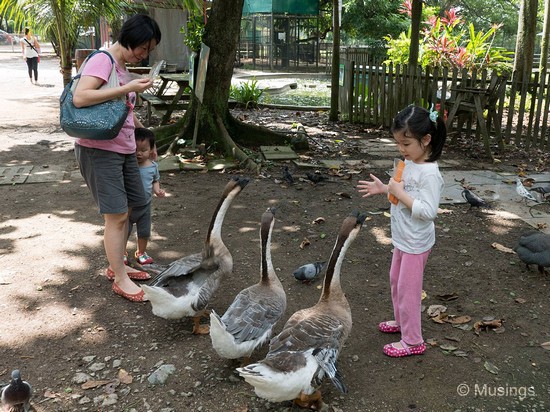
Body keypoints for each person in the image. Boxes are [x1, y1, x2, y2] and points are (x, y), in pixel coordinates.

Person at [72, 14, 162, 302]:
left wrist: (147, 140)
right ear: (131, 39)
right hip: (99, 150)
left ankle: (118, 263)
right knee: (117, 215)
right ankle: (119, 276)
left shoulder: (122, 66)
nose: (144, 54)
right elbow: (80, 97)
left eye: (149, 50)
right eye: (143, 48)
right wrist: (129, 88)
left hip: (124, 149)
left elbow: (125, 112)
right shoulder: (103, 60)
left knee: (136, 204)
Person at [357, 105, 446, 358]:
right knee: (396, 282)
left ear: (426, 140)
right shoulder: (409, 162)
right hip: (403, 238)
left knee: (409, 291)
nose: (401, 150)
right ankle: (402, 323)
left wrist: (399, 193)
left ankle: (413, 340)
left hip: (416, 242)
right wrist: (385, 189)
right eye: (398, 143)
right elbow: (401, 191)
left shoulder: (430, 174)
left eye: (406, 144)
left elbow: (428, 211)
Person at [126, 127, 166, 265]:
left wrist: (157, 190)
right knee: (124, 231)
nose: (139, 154)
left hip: (145, 206)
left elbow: (155, 180)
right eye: (135, 150)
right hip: (128, 206)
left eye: (143, 150)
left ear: (151, 150)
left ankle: (141, 252)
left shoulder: (152, 166)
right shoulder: (128, 165)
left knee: (144, 232)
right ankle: (121, 253)